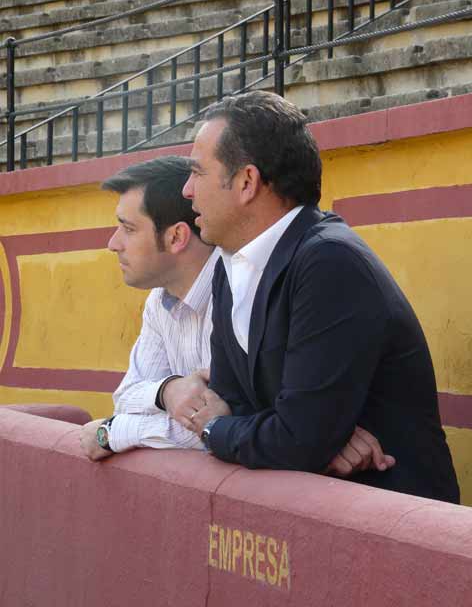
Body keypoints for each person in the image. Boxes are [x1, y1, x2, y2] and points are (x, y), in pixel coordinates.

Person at [181, 90, 460, 503]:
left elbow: (290, 437)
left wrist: (220, 431)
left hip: (389, 527)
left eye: (197, 173)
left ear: (246, 182)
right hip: (315, 516)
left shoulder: (329, 261)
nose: (187, 190)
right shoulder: (230, 264)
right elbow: (234, 402)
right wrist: (307, 442)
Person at [79, 155, 393, 478]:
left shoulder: (243, 289)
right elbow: (127, 398)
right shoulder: (160, 302)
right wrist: (167, 391)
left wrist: (112, 433)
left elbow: (217, 429)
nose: (112, 243)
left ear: (176, 237)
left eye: (128, 229)